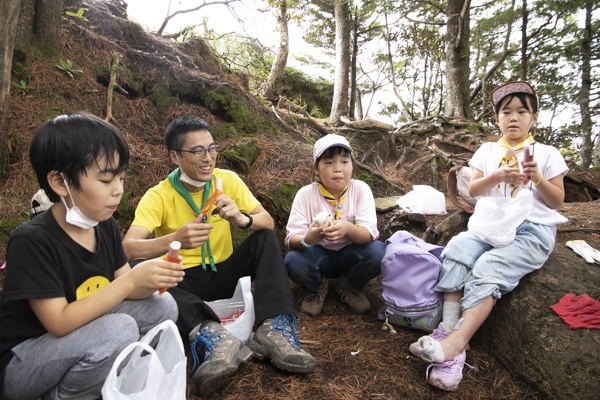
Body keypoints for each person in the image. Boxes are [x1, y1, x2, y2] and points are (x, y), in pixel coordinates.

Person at [122, 115, 316, 396]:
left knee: (264, 239)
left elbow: (267, 221)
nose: (208, 158)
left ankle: (273, 328)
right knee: (138, 266)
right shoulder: (158, 196)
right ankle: (213, 337)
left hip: (224, 271)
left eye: (212, 149)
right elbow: (128, 248)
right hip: (182, 282)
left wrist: (242, 218)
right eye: (197, 151)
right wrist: (174, 240)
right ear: (175, 157)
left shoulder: (227, 180)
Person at [0, 113, 181, 400]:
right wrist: (132, 280)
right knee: (118, 330)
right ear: (60, 182)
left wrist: (153, 276)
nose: (119, 190)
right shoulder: (32, 241)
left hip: (81, 336)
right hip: (24, 360)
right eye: (106, 179)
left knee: (163, 307)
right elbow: (58, 322)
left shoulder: (104, 225)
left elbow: (127, 285)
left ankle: (105, 381)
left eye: (121, 178)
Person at [409, 81, 569, 391]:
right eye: (506, 111)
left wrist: (537, 178)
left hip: (531, 229)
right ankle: (448, 330)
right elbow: (474, 190)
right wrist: (497, 175)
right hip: (489, 225)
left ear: (534, 118)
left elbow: (557, 201)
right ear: (496, 119)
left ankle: (456, 344)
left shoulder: (547, 154)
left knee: (487, 268)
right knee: (456, 249)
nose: (513, 117)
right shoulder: (489, 150)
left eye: (522, 111)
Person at [284, 134, 384, 317]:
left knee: (378, 252)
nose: (338, 169)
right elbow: (292, 239)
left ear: (352, 166)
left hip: (350, 253)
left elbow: (368, 234)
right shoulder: (305, 195)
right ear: (316, 168)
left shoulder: (360, 189)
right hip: (317, 254)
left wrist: (347, 228)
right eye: (329, 163)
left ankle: (348, 285)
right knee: (293, 260)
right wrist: (309, 239)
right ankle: (317, 287)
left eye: (344, 162)